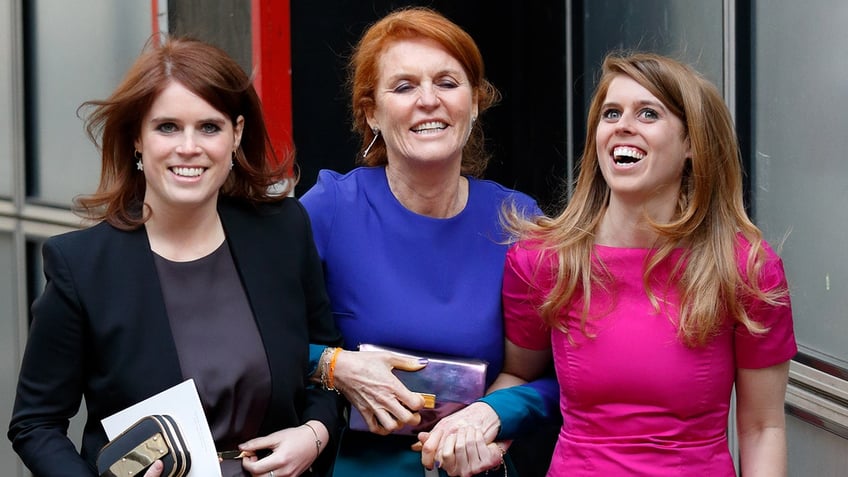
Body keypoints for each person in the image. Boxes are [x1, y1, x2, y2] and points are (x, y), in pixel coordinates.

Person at [7, 37, 343, 477]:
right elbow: (35, 424)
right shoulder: (83, 266)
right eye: (167, 127)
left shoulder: (283, 231)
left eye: (209, 127)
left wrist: (314, 433)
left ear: (236, 134)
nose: (189, 147)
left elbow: (325, 362)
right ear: (136, 139)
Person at [487, 52, 797, 476]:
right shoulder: (542, 260)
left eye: (648, 113)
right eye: (611, 113)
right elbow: (519, 378)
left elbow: (763, 428)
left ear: (692, 144)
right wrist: (480, 421)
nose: (622, 126)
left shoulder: (745, 269)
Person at [299, 7, 559, 477]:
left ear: (475, 102)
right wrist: (336, 366)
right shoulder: (332, 208)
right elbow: (258, 338)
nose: (429, 100)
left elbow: (569, 373)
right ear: (371, 112)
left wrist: (494, 414)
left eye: (447, 82)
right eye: (403, 87)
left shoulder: (519, 221)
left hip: (476, 470)